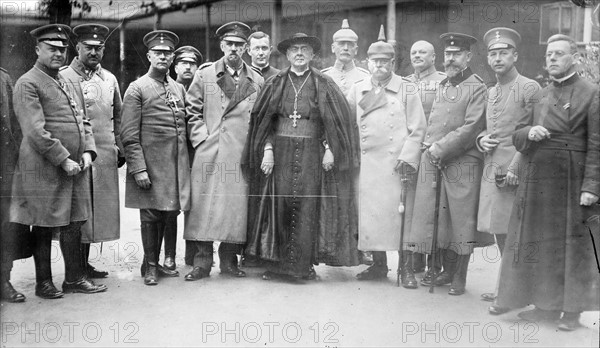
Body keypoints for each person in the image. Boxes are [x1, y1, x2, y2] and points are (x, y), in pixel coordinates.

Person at [494, 34, 599, 331]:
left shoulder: (591, 93)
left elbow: (597, 144)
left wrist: (591, 186)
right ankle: (545, 306)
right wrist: (529, 132)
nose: (551, 59)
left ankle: (571, 311)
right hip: (538, 181)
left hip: (572, 178)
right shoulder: (541, 94)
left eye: (559, 54)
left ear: (574, 57)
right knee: (540, 244)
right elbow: (516, 134)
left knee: (571, 247)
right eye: (549, 54)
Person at [242, 33, 361, 281]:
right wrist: (267, 150)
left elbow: (335, 123)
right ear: (286, 55)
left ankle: (303, 266)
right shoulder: (275, 82)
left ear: (311, 54)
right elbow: (264, 123)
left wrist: (329, 149)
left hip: (312, 155)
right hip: (279, 153)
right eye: (294, 49)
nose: (298, 53)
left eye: (304, 49)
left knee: (307, 208)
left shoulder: (324, 83)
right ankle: (277, 266)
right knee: (280, 206)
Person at [10, 24, 107, 298]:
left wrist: (88, 151)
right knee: (44, 224)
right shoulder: (27, 83)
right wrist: (63, 159)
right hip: (44, 167)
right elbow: (34, 131)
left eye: (62, 49)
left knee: (74, 222)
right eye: (52, 49)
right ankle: (44, 283)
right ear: (37, 49)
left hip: (75, 167)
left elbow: (83, 121)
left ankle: (74, 278)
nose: (58, 54)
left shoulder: (65, 80)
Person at [406, 32, 486, 295]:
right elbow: (435, 122)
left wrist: (440, 148)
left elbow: (471, 127)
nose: (451, 59)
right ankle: (444, 270)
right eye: (448, 54)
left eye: (457, 54)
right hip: (435, 158)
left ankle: (459, 276)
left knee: (460, 221)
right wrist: (429, 147)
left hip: (462, 161)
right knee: (438, 219)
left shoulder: (477, 87)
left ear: (468, 57)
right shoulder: (443, 85)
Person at [347, 26, 426, 288]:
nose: (380, 66)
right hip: (368, 166)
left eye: (385, 61)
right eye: (375, 61)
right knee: (371, 216)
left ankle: (405, 269)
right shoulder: (357, 90)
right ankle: (379, 265)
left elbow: (418, 128)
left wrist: (407, 158)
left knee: (400, 217)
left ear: (393, 63)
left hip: (396, 166)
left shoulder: (406, 89)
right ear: (367, 62)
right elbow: (348, 126)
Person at [184, 21, 263, 281]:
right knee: (204, 207)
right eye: (230, 44)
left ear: (246, 49)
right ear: (222, 46)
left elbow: (259, 118)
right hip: (211, 150)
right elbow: (192, 110)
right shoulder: (205, 74)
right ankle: (201, 263)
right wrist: (201, 139)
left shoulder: (257, 79)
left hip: (238, 153)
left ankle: (228, 261)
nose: (234, 50)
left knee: (233, 208)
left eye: (240, 45)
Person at [475, 28, 541, 312]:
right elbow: (486, 129)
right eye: (493, 53)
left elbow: (538, 133)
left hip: (517, 170)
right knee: (500, 231)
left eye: (504, 53)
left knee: (515, 232)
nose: (498, 58)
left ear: (515, 55)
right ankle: (506, 286)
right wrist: (481, 140)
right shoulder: (491, 91)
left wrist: (515, 166)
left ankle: (513, 291)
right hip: (493, 168)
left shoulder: (530, 88)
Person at [121, 30, 190, 285]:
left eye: (167, 53)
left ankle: (155, 262)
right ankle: (150, 267)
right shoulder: (137, 88)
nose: (163, 56)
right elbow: (128, 133)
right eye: (158, 52)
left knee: (167, 213)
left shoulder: (177, 88)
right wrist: (138, 168)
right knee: (149, 215)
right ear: (149, 55)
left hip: (173, 166)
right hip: (150, 165)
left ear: (173, 57)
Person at [60, 23, 124, 279]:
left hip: (104, 154)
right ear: (77, 48)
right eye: (89, 47)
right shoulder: (64, 76)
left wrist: (118, 146)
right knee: (76, 213)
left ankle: (84, 266)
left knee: (95, 212)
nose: (94, 52)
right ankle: (73, 272)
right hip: (77, 154)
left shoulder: (109, 79)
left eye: (99, 48)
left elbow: (118, 116)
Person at [405, 40, 446, 274]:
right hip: (411, 153)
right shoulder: (405, 82)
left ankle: (435, 263)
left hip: (431, 152)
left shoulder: (441, 82)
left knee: (431, 208)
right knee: (412, 208)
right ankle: (415, 260)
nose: (417, 55)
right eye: (414, 52)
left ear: (433, 57)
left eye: (423, 52)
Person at [0, 67, 30, 303]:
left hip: (4, 166)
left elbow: (15, 123)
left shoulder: (3, 77)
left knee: (4, 224)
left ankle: (3, 280)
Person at [171, 45, 203, 268]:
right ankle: (167, 256)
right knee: (169, 208)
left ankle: (192, 255)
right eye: (184, 63)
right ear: (175, 67)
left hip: (196, 155)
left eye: (192, 64)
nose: (188, 67)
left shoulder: (202, 88)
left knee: (196, 206)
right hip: (172, 157)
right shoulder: (169, 88)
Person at [322, 19, 370, 97]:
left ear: (356, 50)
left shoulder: (365, 77)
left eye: (350, 44)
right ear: (333, 48)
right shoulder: (323, 76)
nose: (346, 48)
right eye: (341, 44)